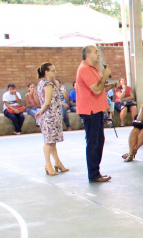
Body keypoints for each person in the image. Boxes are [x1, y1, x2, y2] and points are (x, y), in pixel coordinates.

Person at [75, 45, 115, 183]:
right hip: (90, 111)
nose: (98, 55)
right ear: (88, 54)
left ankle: (96, 171)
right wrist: (104, 76)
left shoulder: (92, 69)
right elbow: (97, 90)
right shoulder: (85, 69)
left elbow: (99, 87)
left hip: (97, 109)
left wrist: (109, 84)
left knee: (99, 141)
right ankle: (93, 174)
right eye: (96, 52)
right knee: (93, 143)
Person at [35, 63, 68, 176]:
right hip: (50, 115)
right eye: (52, 71)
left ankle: (57, 162)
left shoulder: (50, 83)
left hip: (54, 114)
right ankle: (48, 164)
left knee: (53, 141)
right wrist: (40, 111)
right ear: (46, 72)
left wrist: (55, 81)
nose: (55, 72)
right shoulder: (46, 84)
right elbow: (47, 102)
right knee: (49, 141)